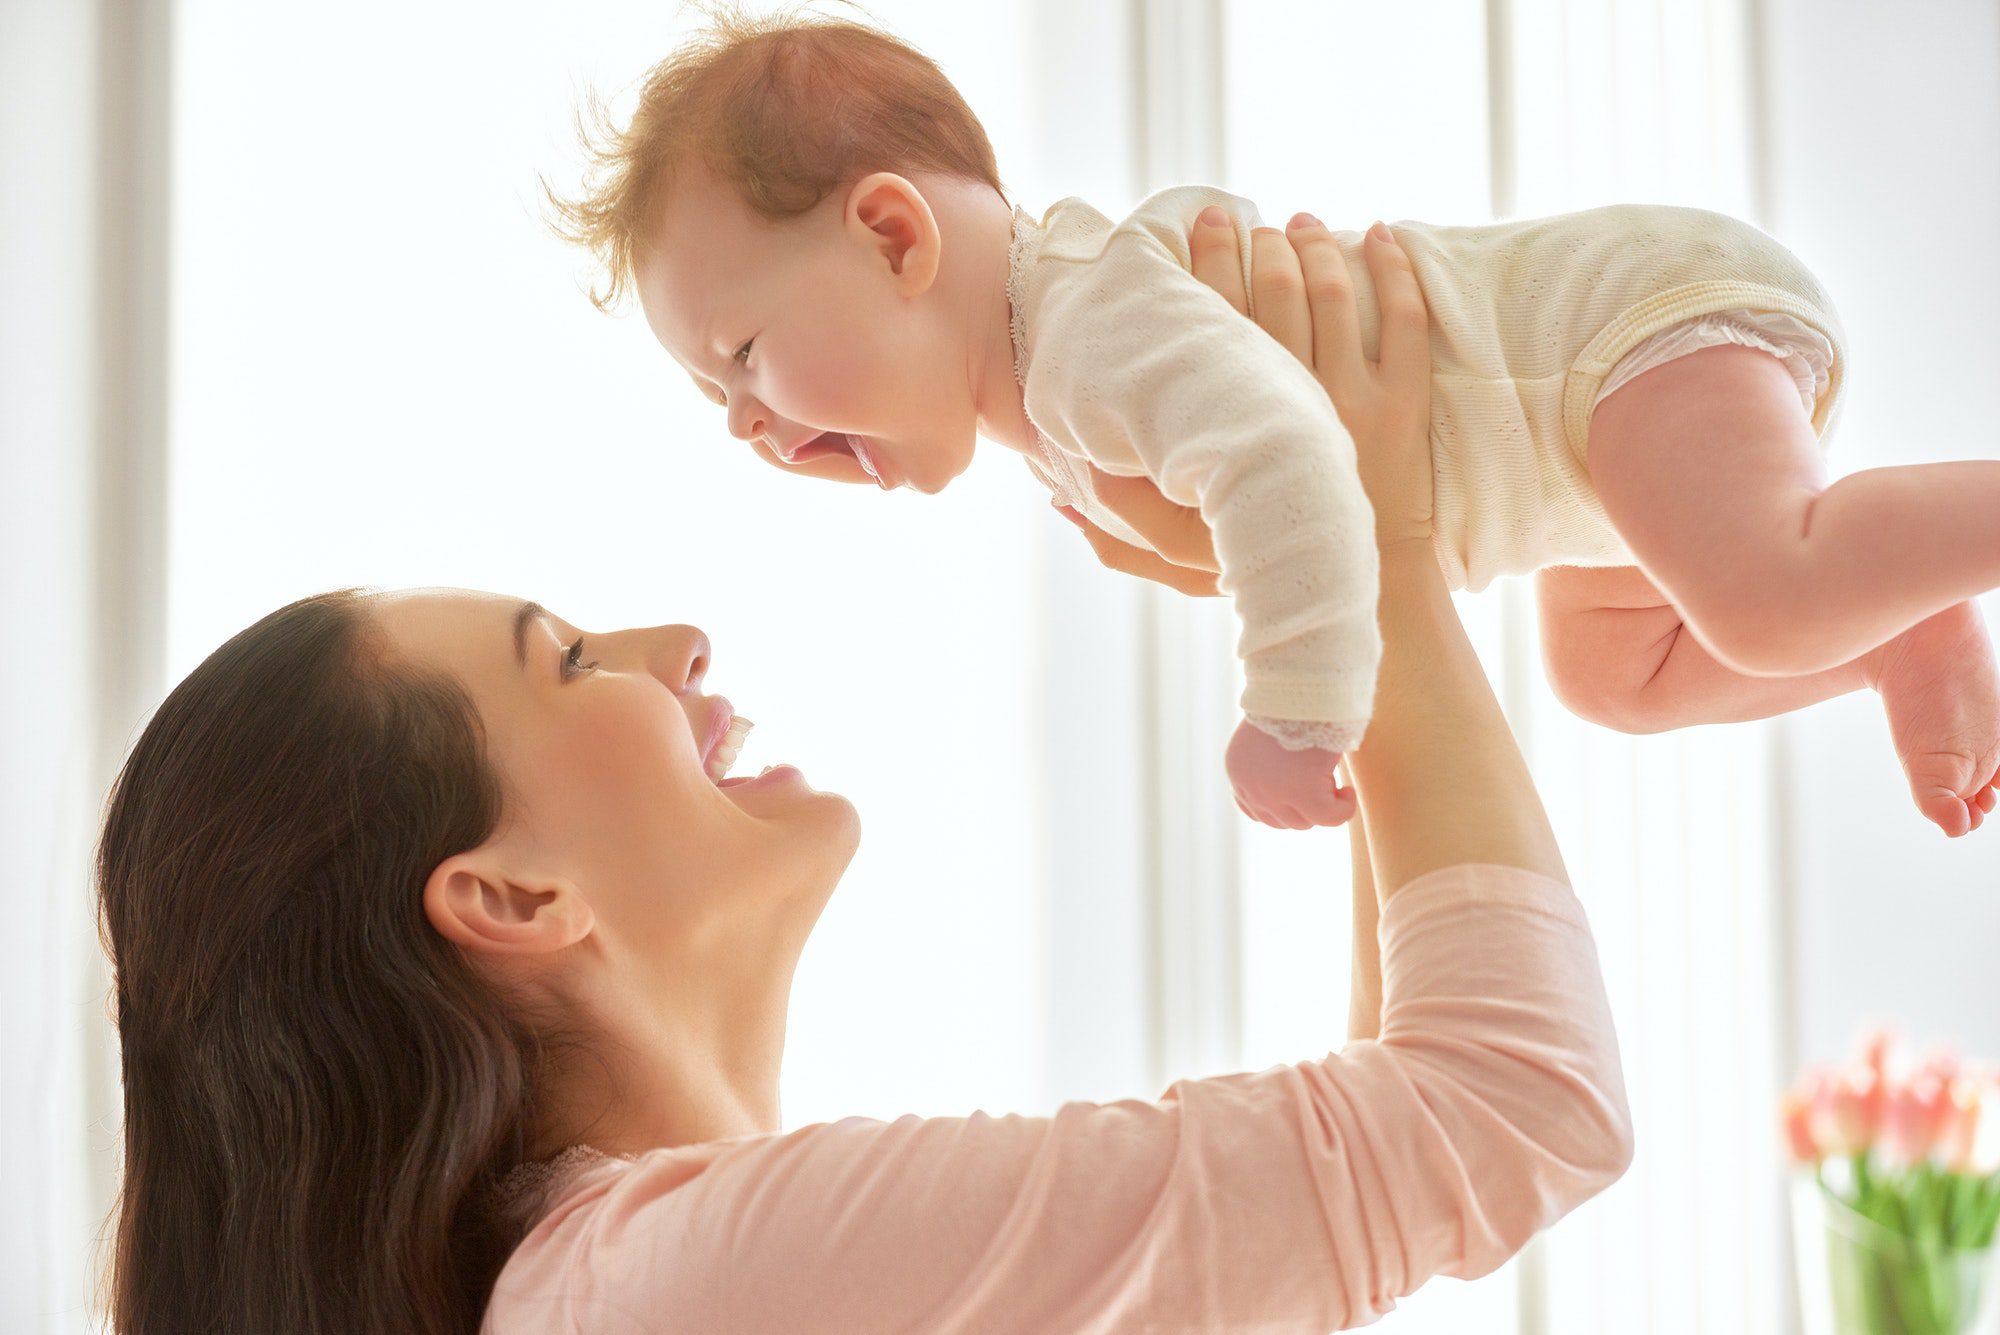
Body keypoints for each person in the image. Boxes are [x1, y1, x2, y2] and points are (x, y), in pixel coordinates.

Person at [96, 211, 1629, 1335]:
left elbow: (1392, 1154)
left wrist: (1343, 606)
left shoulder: (638, 1290)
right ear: (508, 894)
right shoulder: (671, 1286)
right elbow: (1507, 1109)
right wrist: (1381, 545)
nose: (677, 640)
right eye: (565, 662)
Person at [551, 9, 2000, 837]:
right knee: (1617, 676)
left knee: (1754, 592)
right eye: (714, 398)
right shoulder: (1064, 370)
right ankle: (1895, 624)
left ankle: (1857, 586)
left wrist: (1296, 712)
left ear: (890, 235)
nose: (743, 423)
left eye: (743, 356)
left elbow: (1295, 462)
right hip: (1580, 449)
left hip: (1611, 340)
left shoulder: (1080, 333)